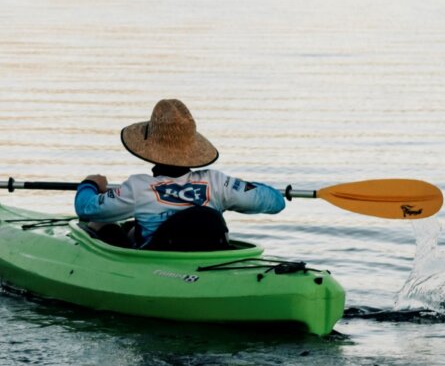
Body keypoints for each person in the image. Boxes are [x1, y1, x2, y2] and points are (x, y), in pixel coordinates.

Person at [75, 98, 288, 252]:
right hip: (209, 254)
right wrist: (243, 186)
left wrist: (90, 184)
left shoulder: (138, 187)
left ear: (150, 148)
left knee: (99, 224)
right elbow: (276, 202)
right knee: (130, 228)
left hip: (158, 260)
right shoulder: (217, 182)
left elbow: (86, 209)